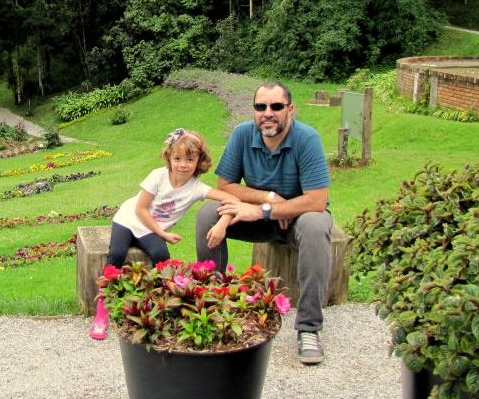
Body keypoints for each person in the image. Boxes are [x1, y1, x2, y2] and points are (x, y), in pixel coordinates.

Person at [194, 83, 333, 365]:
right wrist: (267, 197)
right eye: (261, 107)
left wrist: (264, 210)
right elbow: (225, 185)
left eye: (276, 107)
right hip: (260, 217)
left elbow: (317, 200)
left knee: (316, 226)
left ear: (290, 109)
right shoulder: (243, 134)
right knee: (208, 214)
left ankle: (309, 327)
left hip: (296, 220)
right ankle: (213, 306)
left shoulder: (307, 139)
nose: (267, 113)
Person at [89, 128, 239, 340]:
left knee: (162, 257)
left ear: (199, 161)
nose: (183, 165)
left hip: (149, 230)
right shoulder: (158, 176)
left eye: (190, 159)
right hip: (128, 220)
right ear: (169, 158)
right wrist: (163, 233)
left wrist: (223, 222)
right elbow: (141, 209)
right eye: (177, 158)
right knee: (117, 254)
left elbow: (233, 200)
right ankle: (102, 311)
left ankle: (159, 307)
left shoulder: (196, 188)